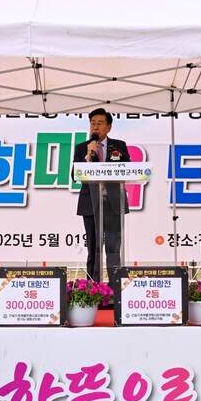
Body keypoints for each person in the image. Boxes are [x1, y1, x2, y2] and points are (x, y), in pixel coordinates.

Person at [73, 108, 130, 285]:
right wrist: (87, 157)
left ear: (109, 127)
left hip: (113, 204)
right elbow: (75, 176)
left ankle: (115, 286)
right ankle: (93, 286)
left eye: (100, 123)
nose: (95, 127)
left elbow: (128, 169)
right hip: (90, 204)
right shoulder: (82, 148)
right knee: (93, 247)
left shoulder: (119, 146)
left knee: (113, 249)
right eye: (93, 123)